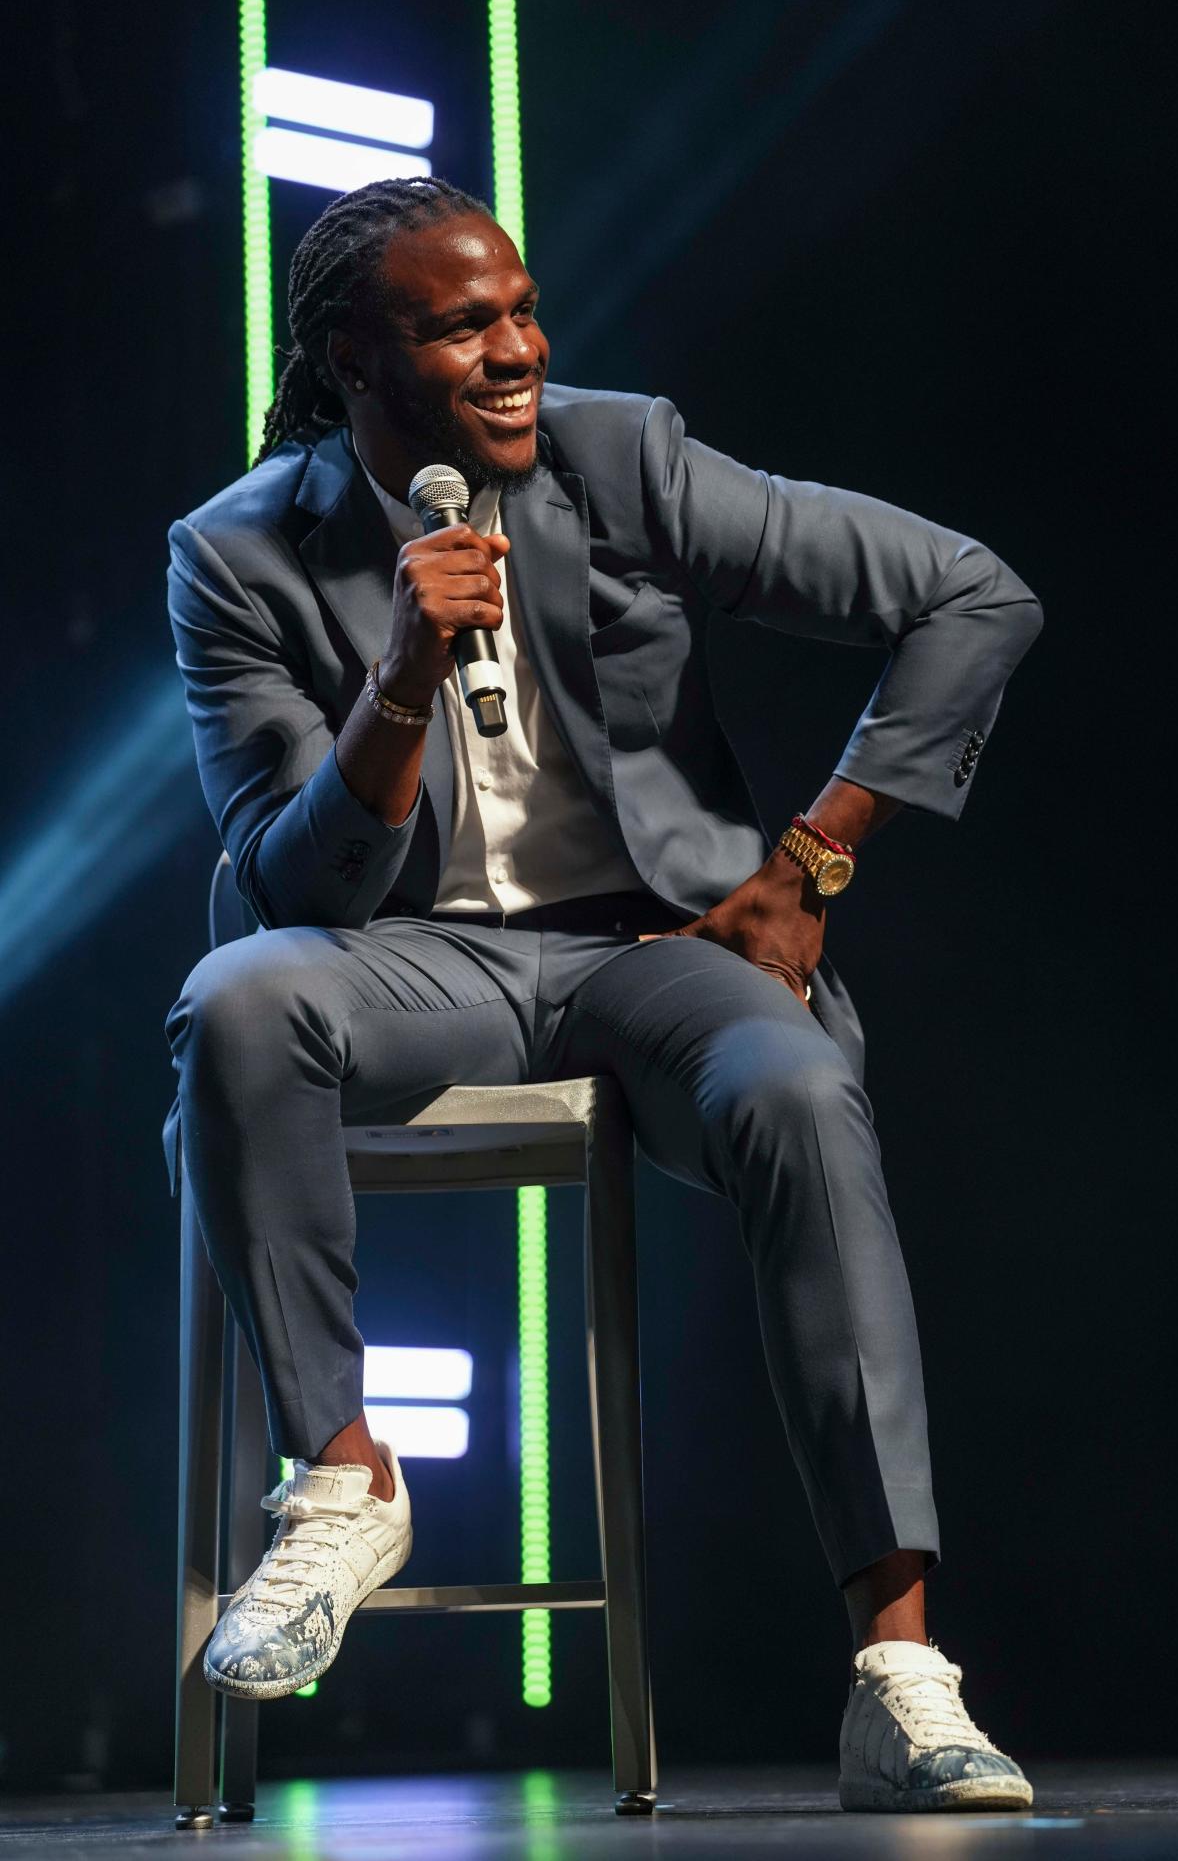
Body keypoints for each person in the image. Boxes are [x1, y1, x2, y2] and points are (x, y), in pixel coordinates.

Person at [164, 176, 1042, 1813]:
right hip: (412, 958)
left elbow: (969, 593)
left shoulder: (616, 454)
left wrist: (808, 863)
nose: (515, 352)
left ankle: (902, 1677)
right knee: (235, 995)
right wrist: (401, 680)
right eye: (458, 327)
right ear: (354, 360)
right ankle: (345, 1482)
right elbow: (300, 885)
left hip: (649, 955)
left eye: (518, 311)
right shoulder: (238, 555)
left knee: (790, 1089)